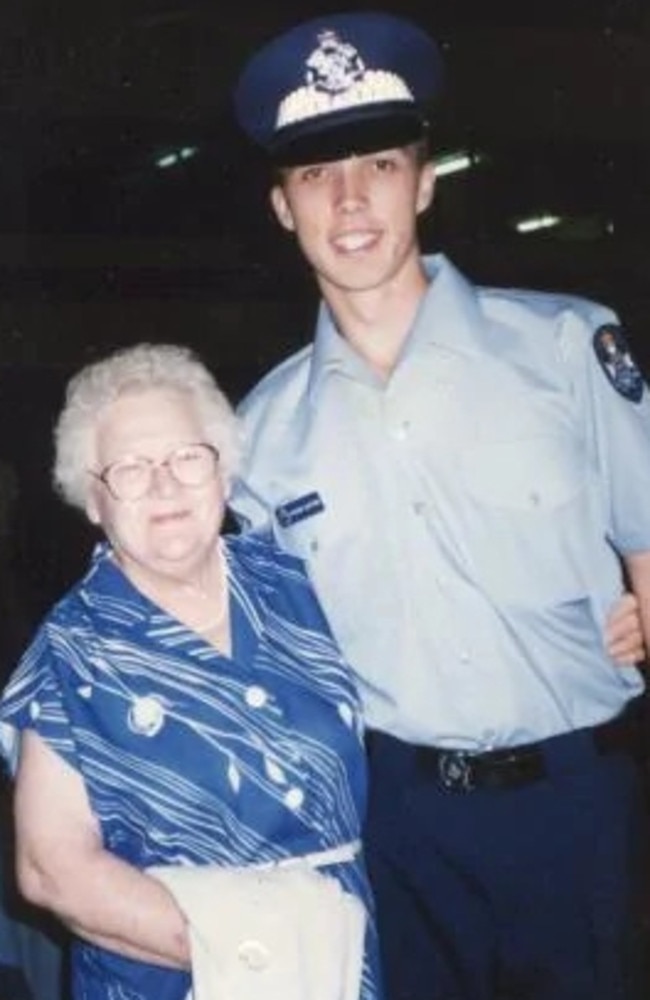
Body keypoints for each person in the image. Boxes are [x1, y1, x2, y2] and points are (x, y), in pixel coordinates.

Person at [231, 12, 650, 1000]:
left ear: (424, 181)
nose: (347, 201)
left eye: (376, 165)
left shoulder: (565, 349)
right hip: (393, 825)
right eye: (313, 177)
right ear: (282, 208)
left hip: (575, 806)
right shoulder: (257, 434)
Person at [0, 343, 381, 1000]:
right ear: (93, 499)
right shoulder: (68, 652)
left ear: (224, 472)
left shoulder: (295, 583)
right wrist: (256, 951)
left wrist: (604, 621)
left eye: (185, 457)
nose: (165, 484)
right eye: (130, 468)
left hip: (341, 962)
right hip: (179, 978)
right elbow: (50, 869)